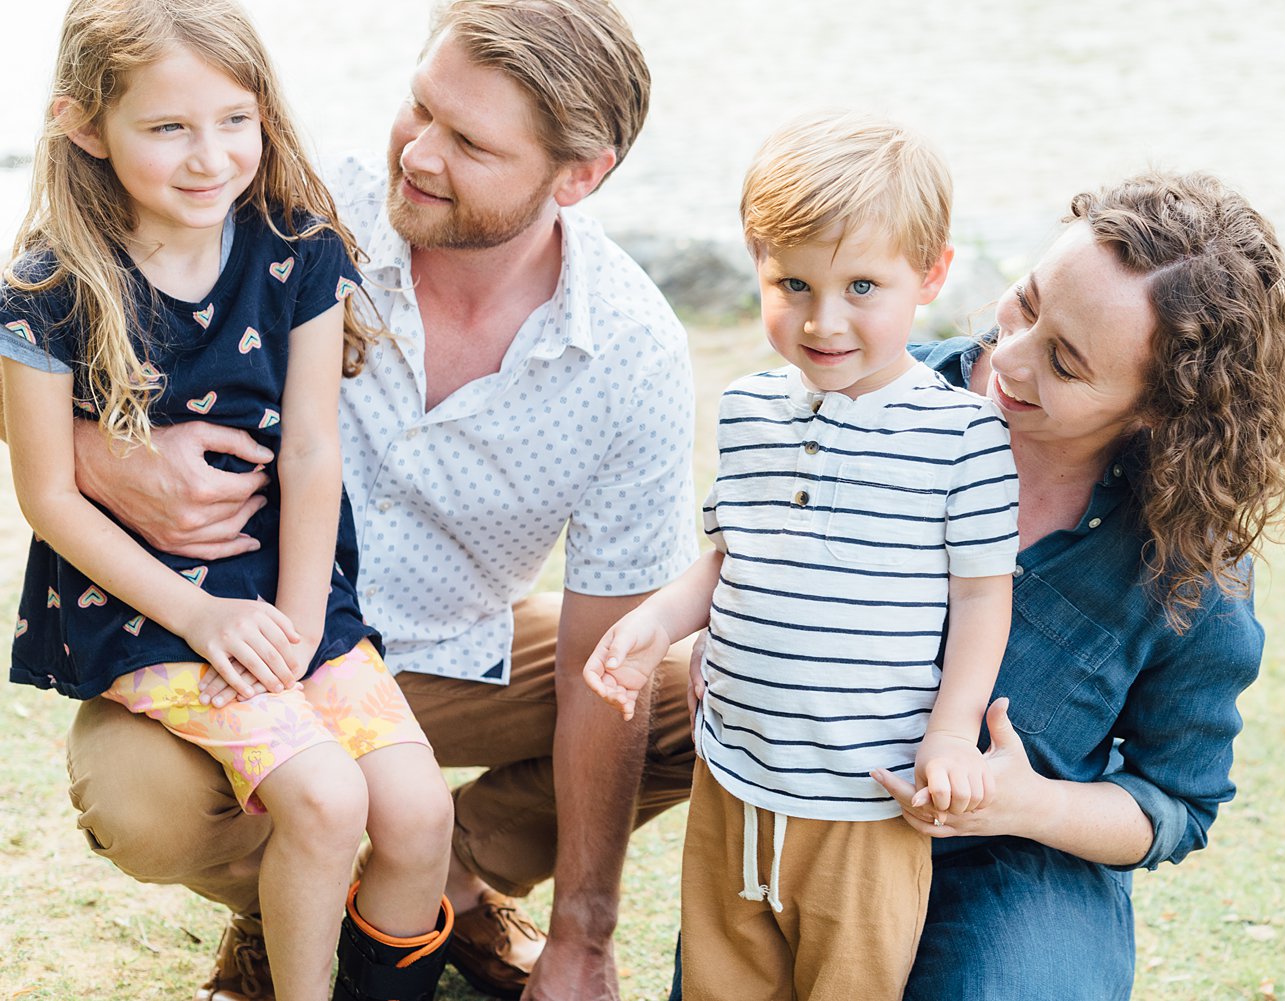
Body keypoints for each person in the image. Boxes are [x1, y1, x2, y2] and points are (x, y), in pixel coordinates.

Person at [6, 1, 699, 999]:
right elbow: (50, 332)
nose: (418, 152)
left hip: (450, 654)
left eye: (468, 142)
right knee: (140, 798)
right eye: (419, 107)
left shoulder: (633, 353)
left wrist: (585, 933)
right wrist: (97, 452)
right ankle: (296, 904)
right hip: (235, 636)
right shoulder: (292, 196)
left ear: (580, 175)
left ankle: (444, 880)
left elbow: (609, 658)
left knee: (708, 685)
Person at [661, 170, 1285, 1000]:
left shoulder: (1190, 571)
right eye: (1027, 302)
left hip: (1007, 855)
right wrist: (718, 633)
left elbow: (1175, 804)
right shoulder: (873, 382)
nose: (1005, 357)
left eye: (1066, 362)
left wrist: (1023, 805)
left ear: (1159, 407)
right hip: (804, 793)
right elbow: (750, 539)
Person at [0, 1, 456, 1000]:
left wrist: (296, 622)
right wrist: (204, 614)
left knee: (419, 812)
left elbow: (313, 452)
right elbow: (47, 495)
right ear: (85, 126)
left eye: (234, 119)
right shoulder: (47, 287)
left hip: (290, 590)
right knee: (328, 796)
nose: (209, 157)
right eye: (167, 127)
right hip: (150, 610)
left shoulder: (296, 247)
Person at [584, 112, 1019, 1000]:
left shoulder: (964, 434)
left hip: (865, 797)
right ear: (758, 263)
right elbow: (727, 558)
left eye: (864, 285)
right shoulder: (747, 411)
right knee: (720, 979)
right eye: (794, 283)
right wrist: (656, 620)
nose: (825, 321)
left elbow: (981, 598)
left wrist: (949, 730)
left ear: (930, 274)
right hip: (735, 774)